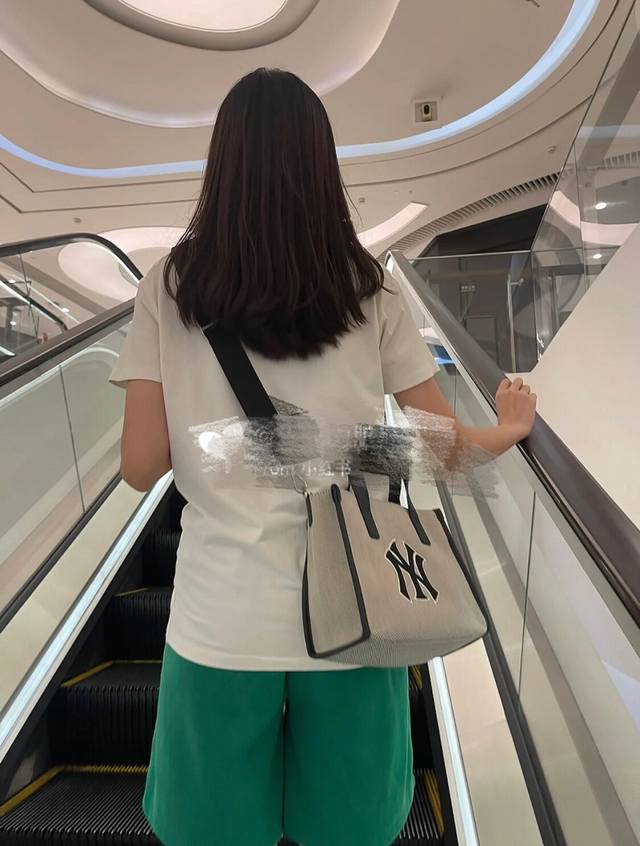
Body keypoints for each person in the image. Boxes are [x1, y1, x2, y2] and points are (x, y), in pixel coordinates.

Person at [110, 68, 536, 846]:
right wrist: (505, 430)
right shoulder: (370, 288)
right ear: (320, 163)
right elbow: (440, 448)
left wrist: (222, 441)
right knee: (349, 830)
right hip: (358, 617)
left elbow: (140, 464)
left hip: (220, 621)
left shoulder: (169, 286)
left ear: (223, 162)